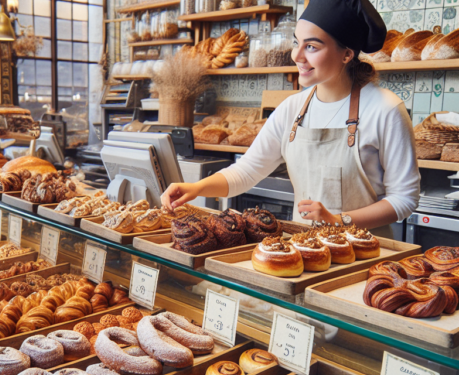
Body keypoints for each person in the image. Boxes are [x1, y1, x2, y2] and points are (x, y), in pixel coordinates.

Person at [162, 0, 420, 237]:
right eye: (297, 42)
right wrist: (195, 189)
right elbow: (247, 171)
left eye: (311, 46)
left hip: (366, 256)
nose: (297, 56)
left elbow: (404, 200)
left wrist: (339, 220)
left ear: (347, 54)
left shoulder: (385, 109)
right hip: (303, 250)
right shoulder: (292, 109)